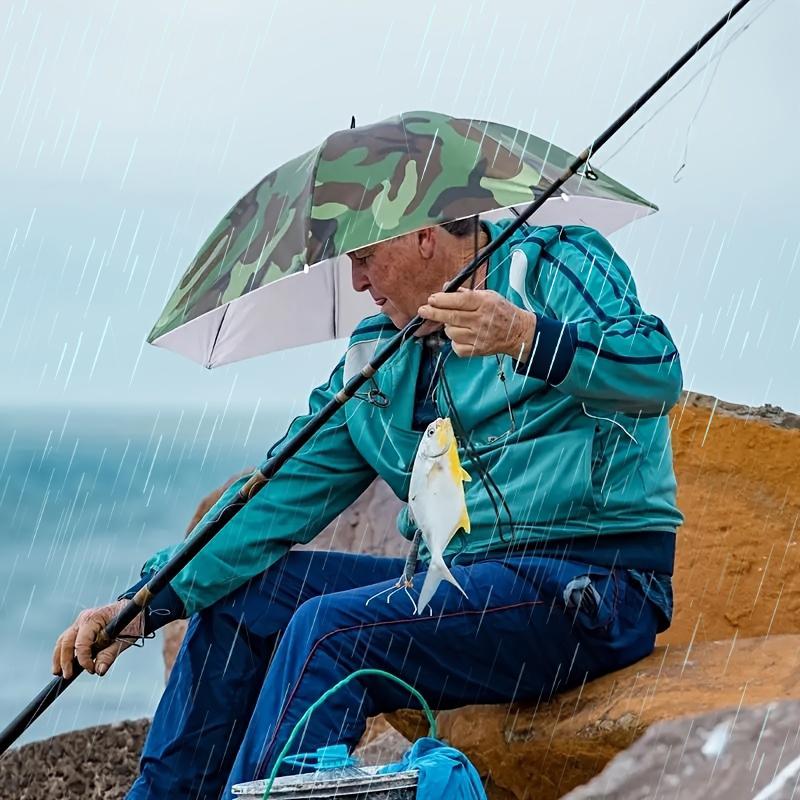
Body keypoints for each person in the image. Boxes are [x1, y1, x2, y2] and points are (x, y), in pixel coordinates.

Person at [53, 216, 683, 799]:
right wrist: (147, 600)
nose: (356, 281)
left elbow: (658, 372)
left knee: (330, 632)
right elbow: (275, 493)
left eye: (365, 258)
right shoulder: (378, 355)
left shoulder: (556, 265)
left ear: (425, 235)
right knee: (243, 595)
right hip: (458, 580)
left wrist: (523, 334)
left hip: (592, 582)